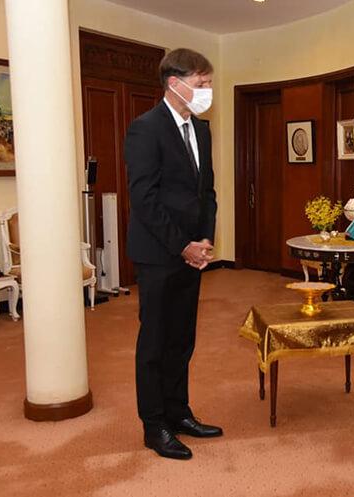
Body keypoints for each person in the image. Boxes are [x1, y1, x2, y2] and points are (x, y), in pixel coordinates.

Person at [125, 48, 221, 460]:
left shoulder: (201, 130)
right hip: (159, 254)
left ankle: (179, 412)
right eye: (202, 84)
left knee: (182, 338)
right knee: (156, 341)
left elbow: (207, 193)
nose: (207, 91)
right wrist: (181, 245)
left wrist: (203, 241)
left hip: (191, 254)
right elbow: (144, 198)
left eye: (208, 83)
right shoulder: (144, 129)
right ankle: (154, 425)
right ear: (175, 83)